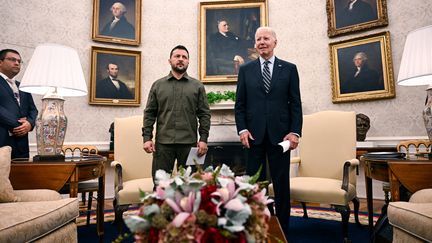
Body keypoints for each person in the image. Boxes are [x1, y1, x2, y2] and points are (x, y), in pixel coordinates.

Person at [234, 27, 303, 235]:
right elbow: (240, 105)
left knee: (281, 184)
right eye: (258, 39)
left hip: (280, 136)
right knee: (254, 184)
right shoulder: (246, 70)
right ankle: (256, 226)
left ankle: (282, 228)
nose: (262, 42)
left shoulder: (289, 69)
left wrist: (294, 132)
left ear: (275, 42)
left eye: (266, 38)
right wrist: (242, 129)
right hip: (253, 136)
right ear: (255, 44)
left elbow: (295, 104)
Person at [142, 45, 211, 179]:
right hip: (163, 145)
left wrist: (203, 139)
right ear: (170, 60)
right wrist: (147, 138)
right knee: (160, 185)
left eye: (184, 57)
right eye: (177, 56)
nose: (180, 59)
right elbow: (150, 113)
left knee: (191, 185)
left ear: (188, 61)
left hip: (190, 145)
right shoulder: (158, 85)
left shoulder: (197, 86)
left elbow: (204, 114)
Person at [0, 49, 38, 159]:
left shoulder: (22, 86)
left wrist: (29, 124)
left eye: (19, 61)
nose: (17, 63)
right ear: (0, 62)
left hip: (22, 146)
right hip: (2, 142)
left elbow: (33, 110)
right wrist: (19, 125)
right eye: (12, 59)